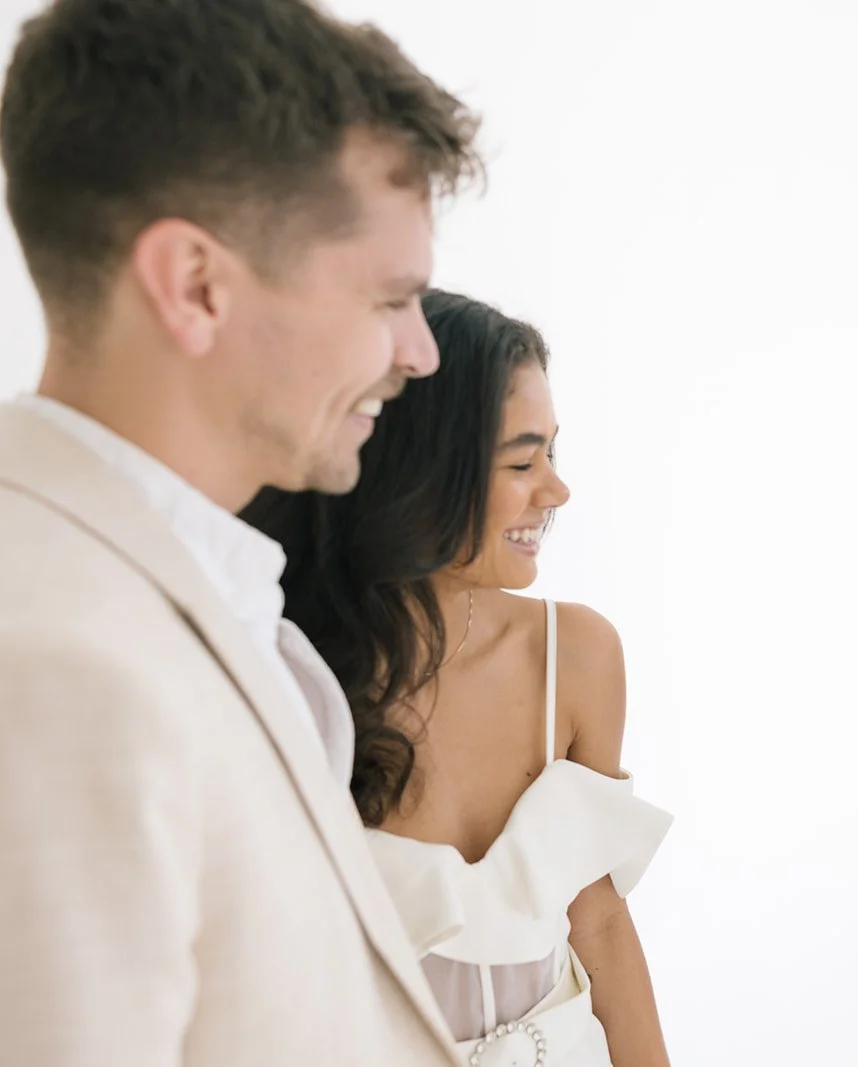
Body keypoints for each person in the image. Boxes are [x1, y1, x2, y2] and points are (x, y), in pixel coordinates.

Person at [0, 1, 482, 1063]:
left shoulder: (192, 598)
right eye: (393, 297)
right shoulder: (53, 665)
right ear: (196, 286)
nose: (422, 353)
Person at [242, 290, 673, 1067]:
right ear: (417, 472)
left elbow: (600, 921)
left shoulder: (574, 653)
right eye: (521, 460)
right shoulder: (292, 676)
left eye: (554, 453)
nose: (556, 490)